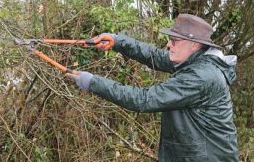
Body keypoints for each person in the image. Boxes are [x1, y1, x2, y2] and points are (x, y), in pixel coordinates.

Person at [66, 13, 239, 161]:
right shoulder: (193, 59)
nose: (168, 45)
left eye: (174, 40)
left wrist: (93, 82)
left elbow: (143, 100)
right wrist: (117, 41)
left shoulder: (201, 76)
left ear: (193, 45)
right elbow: (154, 56)